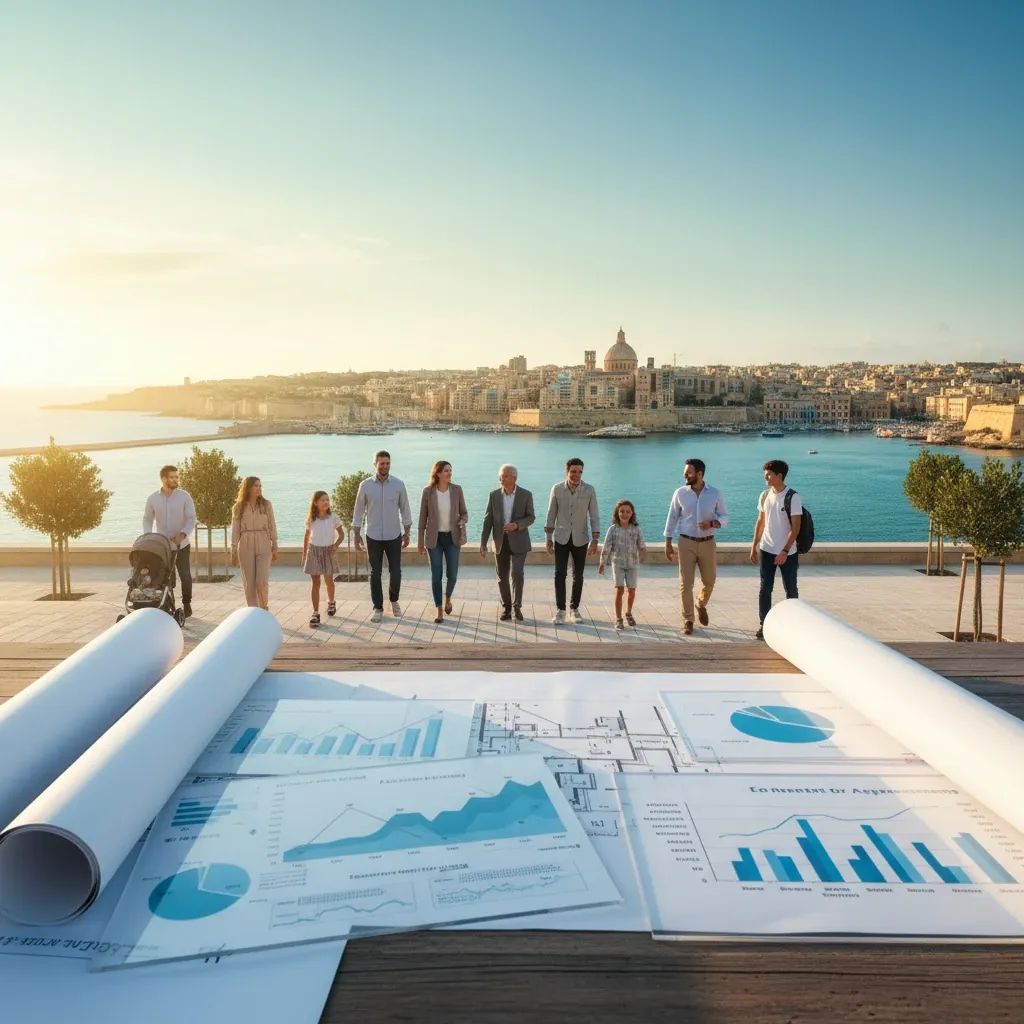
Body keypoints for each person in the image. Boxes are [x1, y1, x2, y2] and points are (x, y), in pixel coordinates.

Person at [664, 457, 728, 635]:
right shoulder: (680, 493)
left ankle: (700, 604)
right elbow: (672, 518)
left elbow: (725, 516)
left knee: (710, 581)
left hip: (708, 543)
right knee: (686, 584)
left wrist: (713, 523)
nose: (685, 475)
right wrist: (668, 542)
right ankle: (688, 619)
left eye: (689, 472)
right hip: (686, 542)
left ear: (699, 474)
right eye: (685, 472)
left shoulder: (715, 493)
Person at [352, 451, 412, 624]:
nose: (385, 466)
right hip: (373, 535)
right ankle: (377, 607)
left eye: (387, 463)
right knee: (375, 572)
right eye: (381, 463)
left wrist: (407, 532)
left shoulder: (399, 485)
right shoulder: (365, 486)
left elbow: (405, 509)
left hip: (394, 535)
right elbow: (358, 511)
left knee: (396, 571)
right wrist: (356, 534)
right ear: (375, 464)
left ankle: (394, 600)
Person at [750, 459, 802, 639]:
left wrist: (785, 551)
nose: (766, 476)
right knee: (765, 589)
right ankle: (764, 625)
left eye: (769, 473)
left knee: (791, 589)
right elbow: (760, 522)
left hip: (787, 552)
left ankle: (795, 624)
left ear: (779, 476)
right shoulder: (764, 495)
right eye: (765, 472)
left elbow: (796, 528)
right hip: (766, 549)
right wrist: (754, 545)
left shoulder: (792, 497)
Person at [545, 457, 600, 624]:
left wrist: (595, 539)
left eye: (580, 472)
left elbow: (594, 515)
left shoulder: (589, 490)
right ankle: (561, 610)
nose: (577, 475)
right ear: (567, 471)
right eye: (573, 471)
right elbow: (551, 514)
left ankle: (574, 609)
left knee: (579, 575)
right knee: (559, 574)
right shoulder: (557, 489)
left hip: (581, 538)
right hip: (561, 537)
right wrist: (548, 537)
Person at [480, 464, 535, 621]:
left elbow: (531, 517)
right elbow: (487, 520)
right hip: (500, 541)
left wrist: (516, 525)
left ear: (514, 478)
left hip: (519, 541)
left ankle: (517, 606)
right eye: (500, 475)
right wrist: (483, 542)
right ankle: (507, 608)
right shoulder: (494, 495)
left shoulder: (526, 495)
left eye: (504, 476)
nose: (501, 478)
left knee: (517, 573)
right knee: (502, 576)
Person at [417, 460, 469, 624]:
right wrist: (419, 542)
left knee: (452, 574)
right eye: (446, 470)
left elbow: (464, 513)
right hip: (434, 539)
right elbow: (422, 519)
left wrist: (462, 520)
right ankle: (439, 609)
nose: (449, 473)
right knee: (436, 575)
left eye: (450, 470)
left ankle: (448, 598)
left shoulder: (457, 490)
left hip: (453, 538)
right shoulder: (428, 492)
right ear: (438, 473)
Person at [143, 464, 197, 618]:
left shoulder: (184, 496)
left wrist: (183, 534)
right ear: (163, 479)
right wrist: (148, 535)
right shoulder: (153, 498)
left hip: (182, 544)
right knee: (167, 577)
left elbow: (191, 518)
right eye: (172, 477)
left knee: (185, 575)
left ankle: (186, 603)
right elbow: (147, 518)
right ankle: (168, 603)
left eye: (176, 477)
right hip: (163, 546)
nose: (175, 479)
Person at [230, 476, 278, 609]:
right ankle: (253, 612)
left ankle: (263, 608)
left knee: (261, 581)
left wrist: (275, 544)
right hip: (245, 543)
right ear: (248, 487)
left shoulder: (266, 505)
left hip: (264, 541)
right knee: (249, 584)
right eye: (256, 486)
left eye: (260, 486)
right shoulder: (238, 507)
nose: (259, 488)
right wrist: (233, 549)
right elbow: (235, 530)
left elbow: (272, 525)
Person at [598, 499, 646, 629]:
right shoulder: (612, 529)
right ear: (617, 513)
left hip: (632, 565)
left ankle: (628, 612)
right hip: (617, 564)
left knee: (632, 591)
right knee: (619, 590)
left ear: (632, 514)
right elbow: (606, 547)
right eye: (622, 511)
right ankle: (619, 619)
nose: (625, 514)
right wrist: (602, 563)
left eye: (628, 512)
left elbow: (641, 544)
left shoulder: (636, 529)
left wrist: (642, 553)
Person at [302, 490, 345, 628]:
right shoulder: (311, 519)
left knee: (329, 581)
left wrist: (335, 546)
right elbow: (307, 537)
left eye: (327, 500)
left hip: (328, 551)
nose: (326, 502)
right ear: (315, 503)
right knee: (315, 583)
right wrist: (304, 554)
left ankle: (331, 602)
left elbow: (341, 535)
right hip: (314, 551)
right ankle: (315, 613)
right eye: (323, 500)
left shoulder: (333, 517)